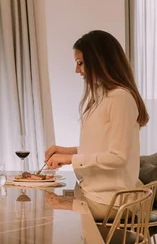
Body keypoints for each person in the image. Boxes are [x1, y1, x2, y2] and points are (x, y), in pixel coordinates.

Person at [44, 30, 149, 221]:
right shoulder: (102, 96)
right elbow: (100, 147)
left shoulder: (120, 98)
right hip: (96, 194)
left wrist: (69, 160)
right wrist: (66, 151)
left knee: (47, 209)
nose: (77, 70)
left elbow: (118, 157)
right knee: (49, 203)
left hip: (112, 202)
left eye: (80, 63)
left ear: (99, 61)